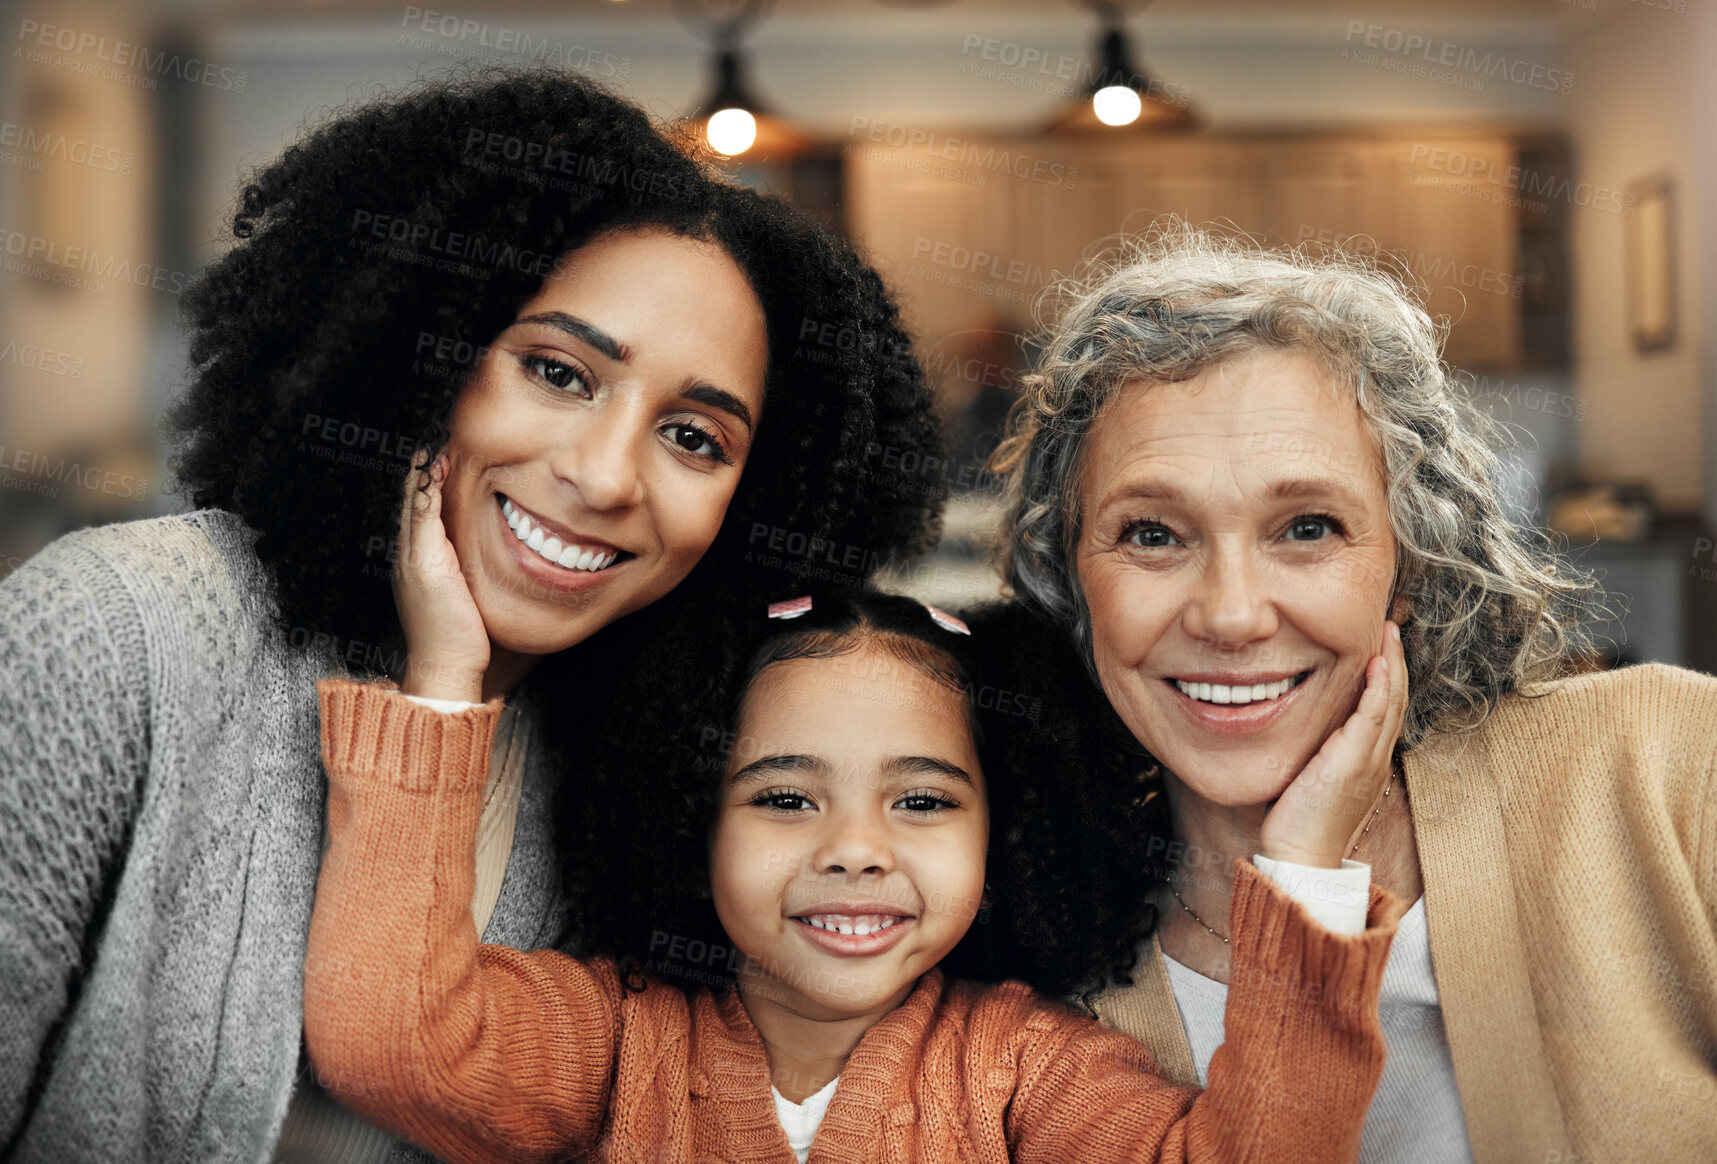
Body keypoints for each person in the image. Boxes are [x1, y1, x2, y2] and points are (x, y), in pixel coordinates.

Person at [0, 68, 942, 1164]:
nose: (602, 476)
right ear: (421, 354)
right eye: (556, 371)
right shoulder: (117, 631)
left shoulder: (663, 782)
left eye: (695, 438)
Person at [990, 223, 1717, 1163]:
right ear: (1070, 578)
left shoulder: (1667, 764)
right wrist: (1300, 884)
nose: (1233, 615)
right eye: (1152, 535)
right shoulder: (1021, 943)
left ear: (1408, 562)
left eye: (1305, 527)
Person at [305, 564, 1412, 1163]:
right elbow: (392, 1040)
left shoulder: (1025, 1067)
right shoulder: (615, 1034)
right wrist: (449, 677)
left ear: (1005, 831)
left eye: (922, 801)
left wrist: (1305, 857)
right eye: (784, 798)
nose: (853, 851)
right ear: (692, 823)